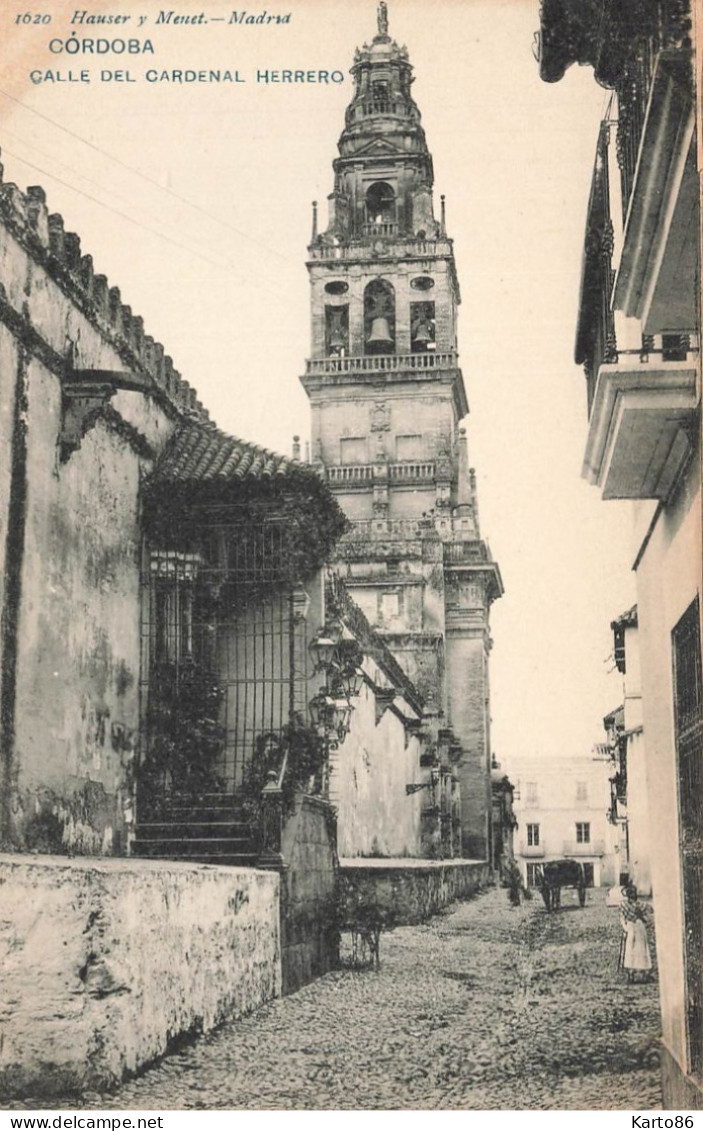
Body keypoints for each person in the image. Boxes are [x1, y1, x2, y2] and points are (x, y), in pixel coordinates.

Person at [618, 883, 653, 983]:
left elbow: (622, 918)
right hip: (636, 927)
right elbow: (650, 909)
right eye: (631, 893)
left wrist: (625, 928)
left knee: (634, 950)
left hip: (634, 928)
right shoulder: (637, 905)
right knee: (637, 949)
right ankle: (637, 974)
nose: (632, 895)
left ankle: (635, 974)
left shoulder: (625, 905)